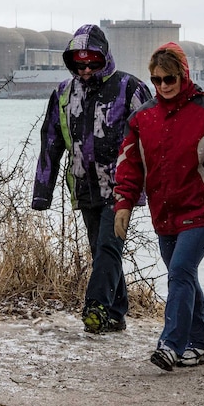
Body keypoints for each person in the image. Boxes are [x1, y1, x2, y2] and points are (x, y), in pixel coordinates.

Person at [112, 42, 204, 371]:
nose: (163, 86)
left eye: (169, 79)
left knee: (180, 271)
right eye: (156, 80)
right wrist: (123, 203)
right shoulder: (142, 118)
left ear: (184, 75)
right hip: (164, 212)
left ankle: (171, 345)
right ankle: (201, 345)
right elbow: (129, 165)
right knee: (184, 275)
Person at [32, 24, 153, 333]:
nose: (85, 70)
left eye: (92, 63)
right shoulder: (62, 93)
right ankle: (116, 313)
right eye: (79, 64)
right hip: (84, 186)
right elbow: (50, 142)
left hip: (121, 186)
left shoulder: (130, 88)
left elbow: (154, 140)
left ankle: (95, 307)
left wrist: (159, 187)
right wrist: (42, 193)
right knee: (100, 250)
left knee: (109, 247)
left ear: (105, 57)